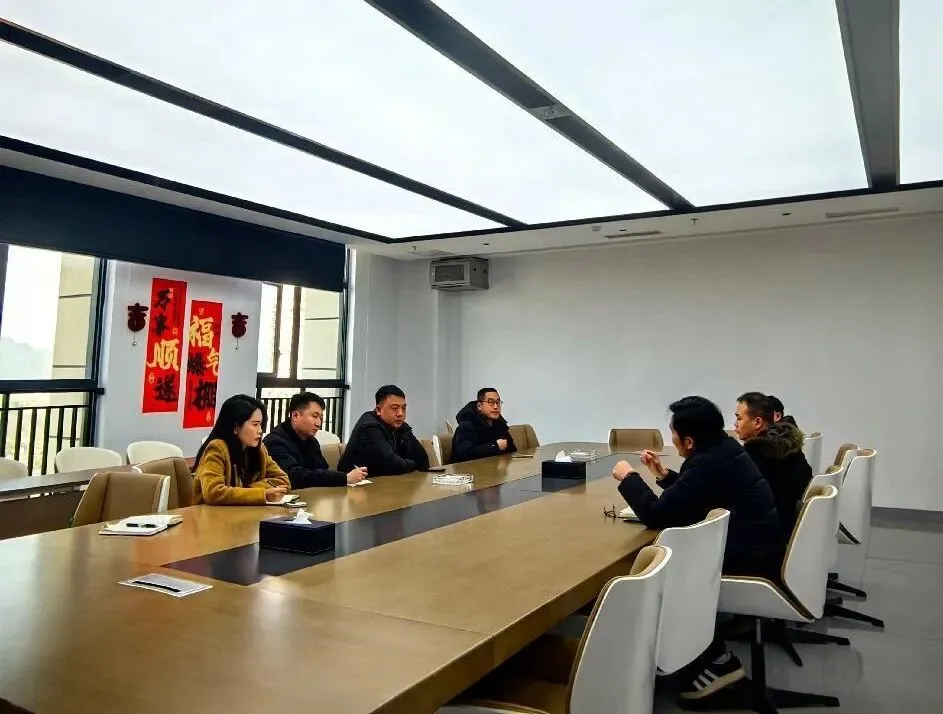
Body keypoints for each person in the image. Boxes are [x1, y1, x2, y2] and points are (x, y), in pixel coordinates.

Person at [611, 396, 783, 701]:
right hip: (760, 547)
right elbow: (697, 494)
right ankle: (703, 655)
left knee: (661, 574)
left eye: (673, 433)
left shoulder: (706, 463)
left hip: (749, 561)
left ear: (689, 441)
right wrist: (663, 475)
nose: (672, 438)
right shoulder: (724, 449)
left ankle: (714, 659)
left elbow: (657, 515)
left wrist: (629, 478)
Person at [735, 392, 812, 534]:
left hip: (763, 536)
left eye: (739, 418)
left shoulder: (756, 457)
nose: (735, 424)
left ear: (757, 422)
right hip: (786, 527)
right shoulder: (789, 448)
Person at [193, 394, 291, 505]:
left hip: (244, 512)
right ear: (236, 427)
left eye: (261, 424)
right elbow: (213, 493)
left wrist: (246, 490)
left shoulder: (259, 449)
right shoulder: (217, 448)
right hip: (210, 513)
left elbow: (283, 480)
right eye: (255, 424)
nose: (260, 430)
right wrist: (262, 494)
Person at [263, 392, 367, 487]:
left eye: (321, 418)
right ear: (295, 415)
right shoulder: (275, 442)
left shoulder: (312, 441)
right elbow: (293, 476)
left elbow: (322, 470)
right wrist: (344, 478)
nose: (318, 423)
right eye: (314, 416)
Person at [338, 385, 429, 475]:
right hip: (357, 483)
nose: (400, 413)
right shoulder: (368, 427)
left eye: (403, 408)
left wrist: (412, 463)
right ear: (378, 410)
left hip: (385, 480)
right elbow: (392, 465)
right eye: (394, 408)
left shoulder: (400, 426)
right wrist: (414, 464)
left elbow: (423, 460)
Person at [451, 388, 517, 462]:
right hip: (467, 468)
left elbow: (512, 449)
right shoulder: (467, 425)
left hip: (492, 466)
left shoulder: (499, 423)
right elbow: (464, 454)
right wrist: (495, 446)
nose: (495, 407)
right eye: (491, 402)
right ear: (479, 406)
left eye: (498, 402)